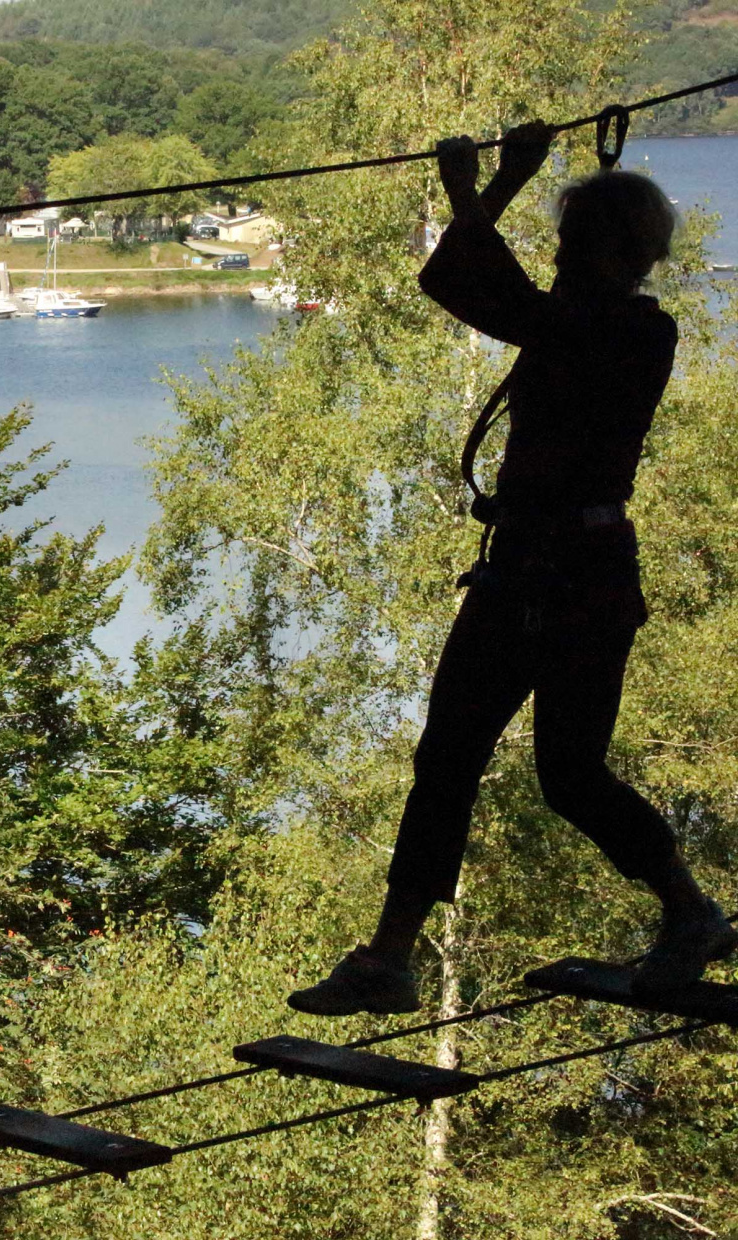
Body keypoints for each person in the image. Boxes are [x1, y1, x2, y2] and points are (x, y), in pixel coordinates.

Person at [289, 121, 736, 1017]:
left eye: (570, 242)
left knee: (558, 773)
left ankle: (690, 911)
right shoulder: (586, 321)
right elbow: (462, 283)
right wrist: (491, 186)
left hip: (568, 576)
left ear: (613, 254)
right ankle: (391, 955)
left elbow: (472, 285)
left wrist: (483, 187)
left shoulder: (627, 330)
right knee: (462, 760)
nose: (558, 255)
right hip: (553, 571)